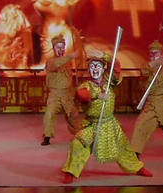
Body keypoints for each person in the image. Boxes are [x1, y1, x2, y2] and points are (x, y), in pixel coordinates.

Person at [61, 48, 152, 184]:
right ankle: (70, 172)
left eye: (98, 66)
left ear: (103, 68)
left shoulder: (109, 81)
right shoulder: (86, 85)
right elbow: (81, 95)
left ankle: (137, 168)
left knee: (123, 147)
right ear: (88, 69)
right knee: (78, 144)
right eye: (92, 66)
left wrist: (105, 56)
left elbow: (116, 67)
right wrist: (98, 95)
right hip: (92, 125)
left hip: (110, 124)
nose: (95, 69)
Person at [41, 34, 81, 146]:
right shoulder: (51, 62)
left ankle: (79, 135)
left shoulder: (68, 63)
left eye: (62, 47)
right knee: (49, 114)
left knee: (73, 115)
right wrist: (70, 56)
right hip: (55, 95)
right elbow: (57, 64)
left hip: (67, 94)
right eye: (58, 47)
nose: (60, 49)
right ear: (53, 48)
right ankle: (47, 136)